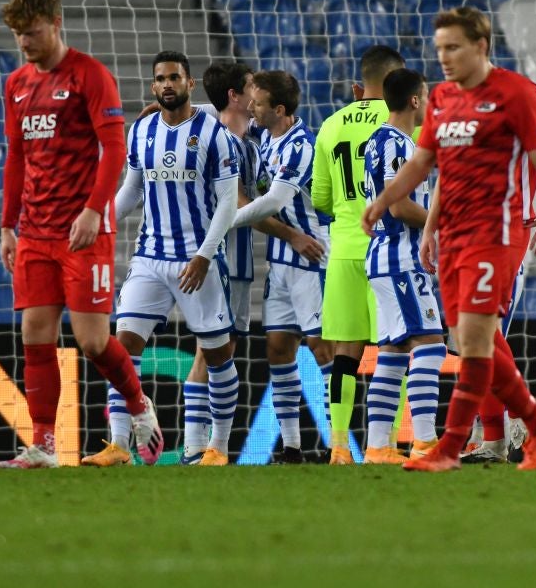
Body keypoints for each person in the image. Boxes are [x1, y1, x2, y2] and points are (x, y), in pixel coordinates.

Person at [363, 6, 536, 473]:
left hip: (498, 234)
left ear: (481, 47)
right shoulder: (444, 97)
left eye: (453, 48)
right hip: (454, 237)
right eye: (439, 48)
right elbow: (430, 165)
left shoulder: (516, 93)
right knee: (470, 341)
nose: (443, 57)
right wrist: (400, 210)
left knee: (475, 337)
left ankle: (450, 447)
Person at [0, 0, 160, 469]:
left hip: (83, 231)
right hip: (36, 233)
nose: (25, 42)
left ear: (56, 23)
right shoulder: (17, 84)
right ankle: (43, 445)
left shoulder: (91, 76)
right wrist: (8, 225)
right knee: (35, 335)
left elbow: (115, 149)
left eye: (32, 32)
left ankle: (138, 405)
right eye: (19, 35)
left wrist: (94, 209)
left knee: (91, 342)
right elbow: (16, 157)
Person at [82, 52, 240, 467]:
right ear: (153, 87)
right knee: (122, 346)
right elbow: (132, 191)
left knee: (218, 355)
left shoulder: (213, 132)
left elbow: (227, 204)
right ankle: (118, 445)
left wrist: (206, 255)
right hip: (150, 257)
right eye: (160, 79)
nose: (167, 84)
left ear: (190, 84)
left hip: (197, 261)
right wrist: (100, 222)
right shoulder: (142, 129)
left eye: (175, 77)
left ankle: (217, 448)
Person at [231, 70, 331, 464]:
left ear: (280, 109)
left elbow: (273, 202)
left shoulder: (300, 146)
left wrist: (227, 220)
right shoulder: (261, 137)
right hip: (283, 261)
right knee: (278, 348)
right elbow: (228, 114)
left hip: (313, 258)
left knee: (323, 348)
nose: (251, 107)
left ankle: (336, 439)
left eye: (258, 102)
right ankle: (291, 445)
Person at [312, 45, 405, 465]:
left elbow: (320, 199)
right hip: (388, 249)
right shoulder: (404, 123)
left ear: (357, 86)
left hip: (345, 251)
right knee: (395, 348)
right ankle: (383, 444)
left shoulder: (330, 126)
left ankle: (337, 448)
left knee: (345, 355)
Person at [361, 68, 446, 464]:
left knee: (393, 351)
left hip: (383, 256)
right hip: (402, 256)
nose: (428, 102)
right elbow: (398, 206)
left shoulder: (377, 140)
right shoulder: (398, 145)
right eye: (425, 95)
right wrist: (441, 222)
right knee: (430, 344)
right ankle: (426, 441)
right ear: (415, 100)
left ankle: (379, 445)